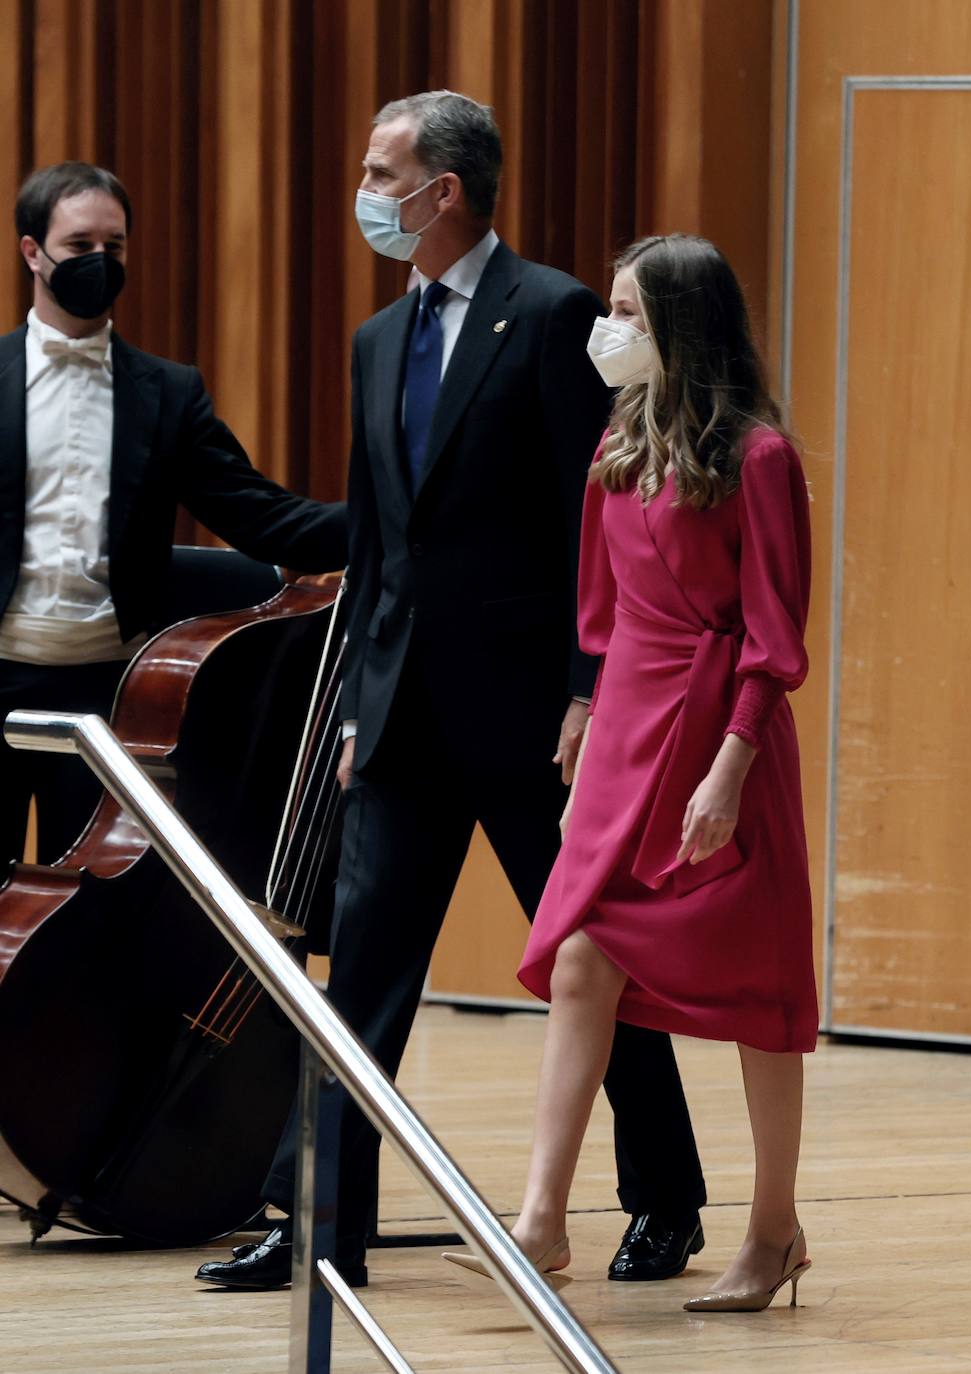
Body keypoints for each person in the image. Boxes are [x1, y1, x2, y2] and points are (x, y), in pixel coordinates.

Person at [197, 92, 706, 1292]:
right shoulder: (379, 341)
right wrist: (350, 710)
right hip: (398, 716)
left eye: (384, 171)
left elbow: (603, 524)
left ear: (445, 193)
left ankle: (666, 1199)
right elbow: (378, 548)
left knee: (590, 962)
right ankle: (319, 1221)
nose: (367, 190)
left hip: (536, 719)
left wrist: (592, 695)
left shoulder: (549, 314)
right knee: (361, 977)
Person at [444, 233, 818, 1313]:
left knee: (758, 997)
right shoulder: (615, 448)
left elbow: (770, 635)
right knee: (576, 961)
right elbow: (602, 623)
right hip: (623, 739)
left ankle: (772, 1230)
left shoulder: (758, 459)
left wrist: (730, 768)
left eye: (629, 315)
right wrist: (584, 720)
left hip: (717, 744)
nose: (606, 331)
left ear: (681, 332)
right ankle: (540, 1223)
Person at [0, 162, 348, 873]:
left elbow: (262, 519)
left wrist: (397, 513)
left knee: (84, 920)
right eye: (78, 246)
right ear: (32, 252)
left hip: (103, 690)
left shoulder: (166, 393)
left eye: (114, 246)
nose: (99, 262)